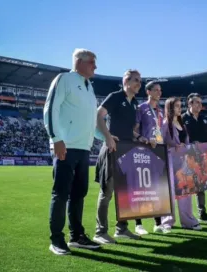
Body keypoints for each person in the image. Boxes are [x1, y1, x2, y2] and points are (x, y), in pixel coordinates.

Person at [43, 48, 103, 255]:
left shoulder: (89, 87)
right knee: (61, 193)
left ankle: (76, 236)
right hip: (66, 146)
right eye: (92, 62)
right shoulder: (64, 79)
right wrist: (56, 139)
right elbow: (51, 108)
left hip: (83, 148)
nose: (95, 66)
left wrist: (107, 138)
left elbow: (91, 121)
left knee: (79, 194)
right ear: (79, 62)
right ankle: (56, 240)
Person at [93, 69, 146, 244]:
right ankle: (100, 232)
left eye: (140, 80)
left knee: (125, 192)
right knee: (107, 192)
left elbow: (129, 129)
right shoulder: (115, 96)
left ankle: (121, 229)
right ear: (126, 82)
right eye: (136, 80)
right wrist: (108, 137)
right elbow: (98, 116)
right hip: (112, 150)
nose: (139, 83)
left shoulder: (134, 103)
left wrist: (139, 137)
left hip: (127, 151)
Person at [161, 97, 202, 231]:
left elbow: (185, 141)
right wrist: (173, 145)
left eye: (180, 106)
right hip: (171, 161)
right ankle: (167, 222)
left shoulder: (181, 123)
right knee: (171, 192)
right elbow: (160, 141)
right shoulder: (166, 123)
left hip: (184, 162)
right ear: (170, 108)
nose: (180, 108)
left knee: (185, 191)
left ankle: (188, 221)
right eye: (177, 106)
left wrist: (190, 145)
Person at [133, 80, 168, 234]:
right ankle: (138, 224)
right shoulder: (141, 108)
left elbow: (160, 132)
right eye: (156, 90)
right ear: (148, 92)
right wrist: (144, 140)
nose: (159, 93)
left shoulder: (160, 111)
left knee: (157, 188)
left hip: (157, 151)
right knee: (140, 187)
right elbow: (133, 130)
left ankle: (158, 223)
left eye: (160, 90)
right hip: (142, 151)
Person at [182, 93, 207, 224]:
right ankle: (185, 216)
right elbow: (179, 140)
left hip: (202, 158)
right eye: (197, 102)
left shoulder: (205, 119)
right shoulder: (182, 118)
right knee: (185, 187)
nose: (200, 105)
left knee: (201, 186)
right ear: (190, 104)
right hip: (186, 158)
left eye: (200, 102)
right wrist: (190, 145)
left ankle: (202, 213)